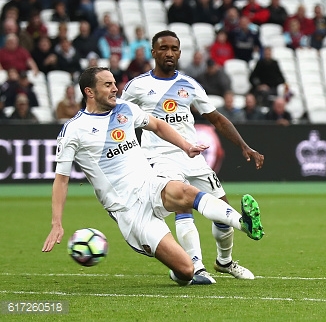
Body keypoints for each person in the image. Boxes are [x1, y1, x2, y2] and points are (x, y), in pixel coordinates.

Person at [43, 66, 263, 286]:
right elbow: (61, 179)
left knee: (184, 191)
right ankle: (181, 270)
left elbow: (157, 125)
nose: (114, 89)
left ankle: (243, 223)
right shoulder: (74, 130)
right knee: (186, 271)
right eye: (107, 84)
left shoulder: (126, 109)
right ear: (89, 92)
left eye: (114, 83)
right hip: (128, 208)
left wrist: (186, 146)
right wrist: (56, 223)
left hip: (150, 184)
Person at [121, 31, 265, 283]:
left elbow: (216, 118)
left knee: (222, 209)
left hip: (192, 156)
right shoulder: (137, 86)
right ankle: (196, 266)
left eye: (174, 48)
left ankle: (224, 261)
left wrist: (245, 146)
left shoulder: (190, 84)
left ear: (179, 52)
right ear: (153, 52)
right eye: (163, 48)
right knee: (183, 205)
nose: (169, 53)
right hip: (159, 157)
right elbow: (119, 119)